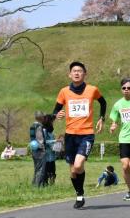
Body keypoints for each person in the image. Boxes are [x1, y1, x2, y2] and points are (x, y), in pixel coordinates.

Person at [52, 61, 107, 209]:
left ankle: (80, 192)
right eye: (74, 71)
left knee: (77, 166)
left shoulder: (92, 90)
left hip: (86, 134)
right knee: (73, 171)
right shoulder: (64, 91)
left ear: (85, 73)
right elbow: (56, 110)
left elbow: (103, 102)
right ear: (69, 74)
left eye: (80, 71)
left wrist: (102, 118)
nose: (77, 73)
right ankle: (79, 194)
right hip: (70, 135)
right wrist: (58, 114)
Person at [30, 111, 47, 187]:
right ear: (41, 118)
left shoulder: (32, 126)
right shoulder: (39, 126)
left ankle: (34, 184)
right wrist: (43, 148)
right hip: (39, 150)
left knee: (36, 168)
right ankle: (37, 186)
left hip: (33, 149)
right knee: (40, 169)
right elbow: (40, 139)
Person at [43, 114, 57, 185]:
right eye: (52, 121)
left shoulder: (51, 131)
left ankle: (52, 185)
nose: (53, 122)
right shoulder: (44, 131)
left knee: (53, 172)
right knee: (46, 172)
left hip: (52, 156)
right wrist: (54, 141)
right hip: (46, 156)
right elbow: (43, 141)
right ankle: (45, 185)